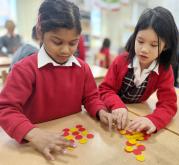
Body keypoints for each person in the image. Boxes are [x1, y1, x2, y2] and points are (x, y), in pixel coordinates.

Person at [0, 0, 113, 161]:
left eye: (73, 43)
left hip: (72, 142)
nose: (66, 50)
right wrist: (34, 134)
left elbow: (91, 98)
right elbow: (5, 109)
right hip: (35, 145)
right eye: (57, 42)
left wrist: (100, 110)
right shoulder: (24, 70)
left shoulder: (82, 68)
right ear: (40, 32)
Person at [99, 7, 179, 134]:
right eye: (140, 41)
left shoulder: (164, 70)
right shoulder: (121, 61)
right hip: (111, 112)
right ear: (134, 37)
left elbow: (168, 104)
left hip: (135, 114)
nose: (144, 49)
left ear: (165, 46)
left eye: (154, 45)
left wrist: (154, 120)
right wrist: (116, 105)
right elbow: (104, 89)